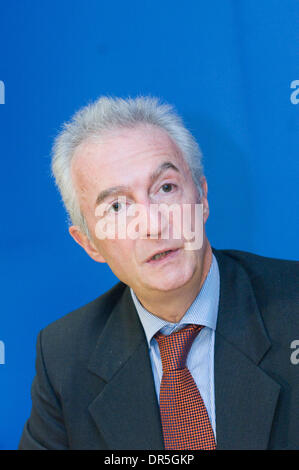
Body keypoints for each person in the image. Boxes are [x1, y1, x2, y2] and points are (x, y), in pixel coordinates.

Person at [19, 96, 298, 450]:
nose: (152, 224)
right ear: (89, 243)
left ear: (202, 198)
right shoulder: (64, 357)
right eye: (117, 206)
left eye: (165, 188)